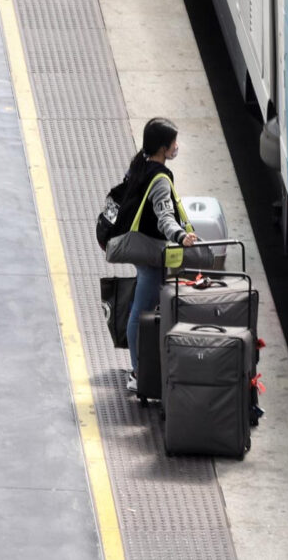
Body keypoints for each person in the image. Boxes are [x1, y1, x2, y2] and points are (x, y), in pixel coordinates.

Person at [120, 118, 197, 392]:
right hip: (151, 251)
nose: (177, 147)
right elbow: (165, 216)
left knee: (143, 307)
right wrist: (181, 236)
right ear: (164, 148)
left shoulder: (139, 164)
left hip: (140, 247)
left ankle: (142, 366)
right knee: (141, 312)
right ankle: (138, 373)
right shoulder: (160, 178)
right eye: (174, 143)